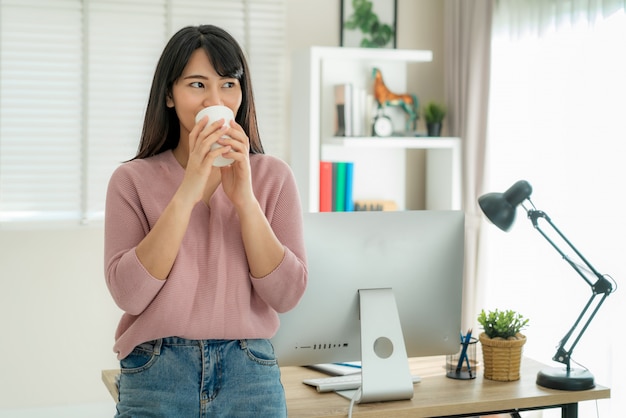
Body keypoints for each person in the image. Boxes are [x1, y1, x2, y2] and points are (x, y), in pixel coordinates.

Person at [104, 24, 307, 417]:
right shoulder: (130, 181)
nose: (215, 99)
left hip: (250, 373)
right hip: (156, 372)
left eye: (228, 83)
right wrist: (188, 190)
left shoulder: (273, 177)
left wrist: (245, 201)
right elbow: (129, 295)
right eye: (197, 84)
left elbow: (287, 296)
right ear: (168, 94)